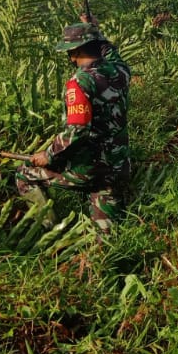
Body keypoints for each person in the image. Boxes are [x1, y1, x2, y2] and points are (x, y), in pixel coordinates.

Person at [15, 20, 131, 234]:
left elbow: (77, 131)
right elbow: (112, 53)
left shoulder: (80, 82)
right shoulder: (121, 71)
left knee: (25, 173)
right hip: (117, 166)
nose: (70, 57)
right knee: (108, 239)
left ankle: (50, 231)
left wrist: (48, 155)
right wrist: (96, 30)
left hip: (88, 170)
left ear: (75, 51)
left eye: (70, 52)